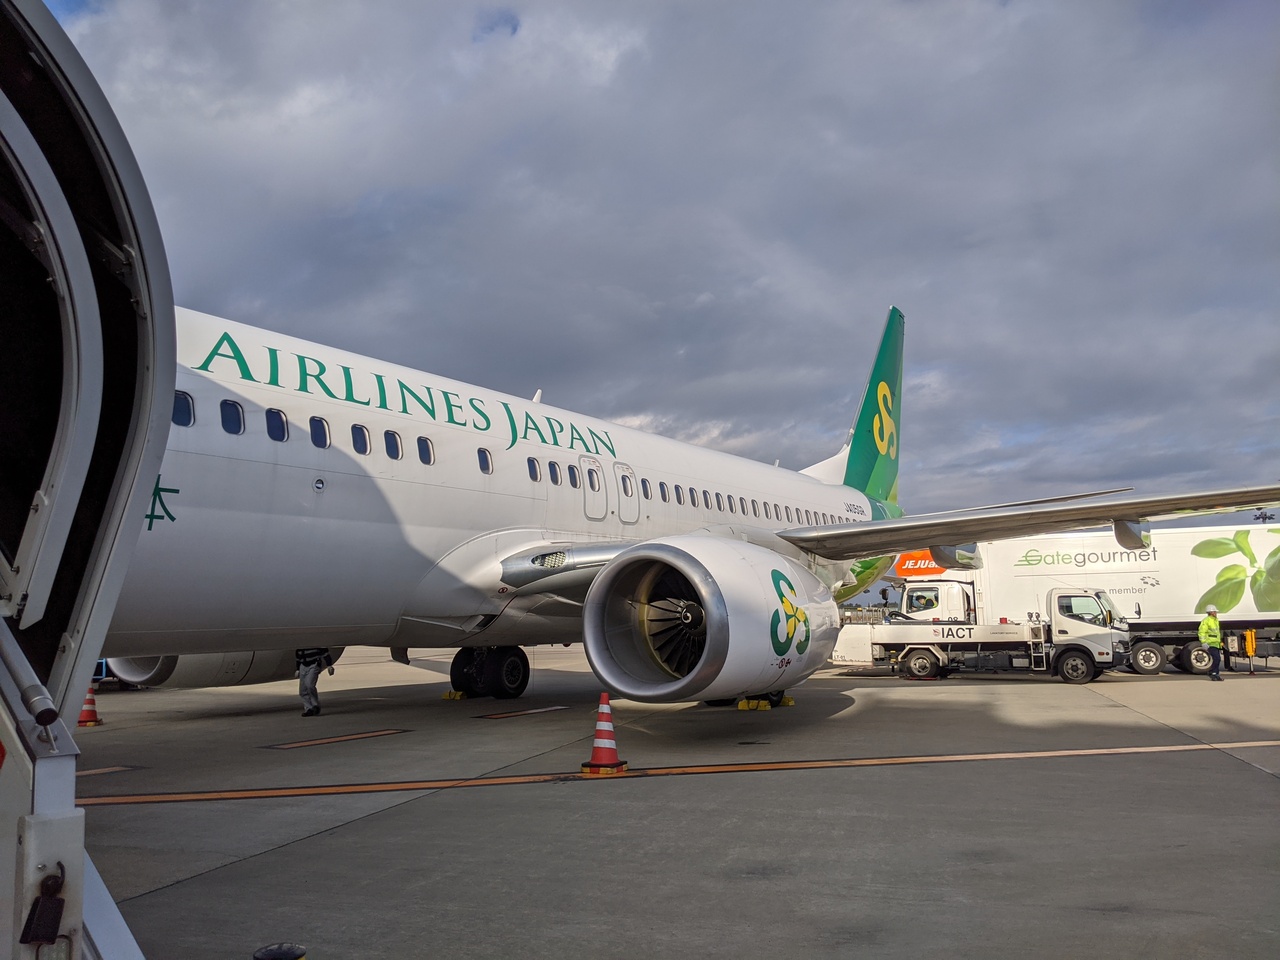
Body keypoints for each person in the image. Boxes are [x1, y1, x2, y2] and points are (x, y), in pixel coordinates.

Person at [296, 647, 335, 715]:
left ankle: (315, 705)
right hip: (303, 665)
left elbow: (325, 653)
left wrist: (329, 665)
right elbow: (298, 658)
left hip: (314, 664)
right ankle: (309, 708)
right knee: (302, 690)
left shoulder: (316, 645)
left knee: (310, 685)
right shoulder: (300, 646)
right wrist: (298, 669)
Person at [1198, 605, 1224, 681]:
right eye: (1214, 612)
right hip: (1210, 643)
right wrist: (1204, 642)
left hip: (1216, 643)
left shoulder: (1215, 620)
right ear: (1210, 612)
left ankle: (1215, 673)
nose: (1216, 613)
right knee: (1217, 659)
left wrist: (1220, 642)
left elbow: (1216, 633)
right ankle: (1213, 673)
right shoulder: (1206, 621)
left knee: (1217, 659)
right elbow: (1202, 632)